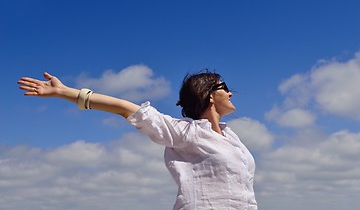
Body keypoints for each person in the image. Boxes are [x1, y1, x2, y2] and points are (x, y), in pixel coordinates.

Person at [18, 70, 258, 210]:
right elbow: (125, 108)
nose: (230, 92)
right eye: (224, 87)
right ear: (209, 95)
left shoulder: (232, 137)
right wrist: (64, 92)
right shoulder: (186, 132)